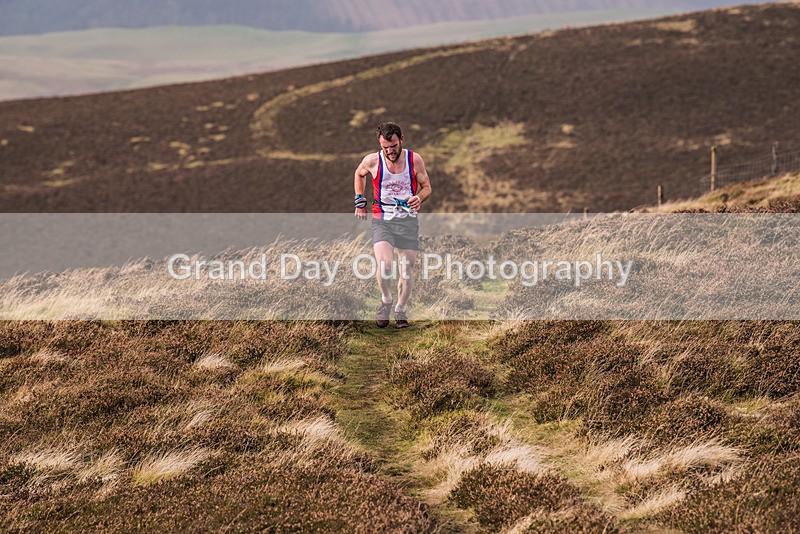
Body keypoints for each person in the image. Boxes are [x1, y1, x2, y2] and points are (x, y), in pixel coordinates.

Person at [353, 122, 432, 328]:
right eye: (385, 147)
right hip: (382, 220)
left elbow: (426, 187)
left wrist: (419, 198)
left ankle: (400, 309)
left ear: (401, 140)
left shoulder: (414, 159)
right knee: (385, 265)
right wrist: (360, 201)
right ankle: (386, 300)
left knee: (407, 271)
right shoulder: (372, 160)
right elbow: (359, 174)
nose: (390, 151)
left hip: (407, 221)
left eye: (393, 146)